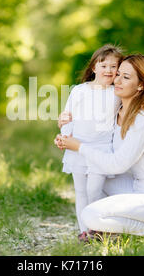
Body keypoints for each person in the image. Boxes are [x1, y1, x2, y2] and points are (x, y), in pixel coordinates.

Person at [56, 54, 144, 246]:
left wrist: (79, 147)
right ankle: (116, 230)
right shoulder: (118, 110)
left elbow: (117, 164)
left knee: (91, 215)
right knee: (93, 182)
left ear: (141, 86)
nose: (117, 80)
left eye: (126, 77)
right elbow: (89, 115)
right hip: (136, 187)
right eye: (118, 74)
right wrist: (66, 120)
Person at [57, 44, 123, 241]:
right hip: (76, 147)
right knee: (81, 191)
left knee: (94, 190)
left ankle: (99, 227)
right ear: (94, 67)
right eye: (104, 66)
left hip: (101, 150)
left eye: (114, 67)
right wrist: (64, 134)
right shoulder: (79, 91)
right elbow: (68, 117)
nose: (109, 70)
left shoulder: (116, 93)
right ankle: (85, 231)